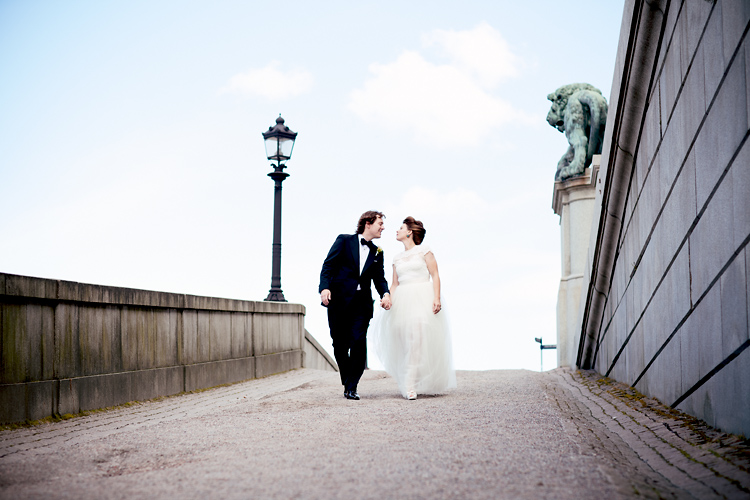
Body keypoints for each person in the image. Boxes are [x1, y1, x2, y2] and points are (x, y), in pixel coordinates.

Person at [371, 216, 456, 400]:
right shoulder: (396, 258)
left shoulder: (424, 251)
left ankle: (409, 384)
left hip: (422, 297)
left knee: (417, 338)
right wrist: (388, 299)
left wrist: (436, 298)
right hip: (402, 301)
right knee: (405, 343)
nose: (396, 230)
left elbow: (435, 275)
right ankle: (409, 378)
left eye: (400, 228)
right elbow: (394, 284)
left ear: (409, 232)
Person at [319, 211, 391, 400]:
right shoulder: (344, 241)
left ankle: (352, 386)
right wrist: (324, 288)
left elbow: (379, 278)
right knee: (339, 344)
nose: (383, 227)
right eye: (380, 223)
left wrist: (385, 293)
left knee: (359, 342)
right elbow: (328, 266)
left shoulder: (377, 252)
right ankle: (347, 379)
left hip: (362, 304)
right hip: (339, 301)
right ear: (368, 223)